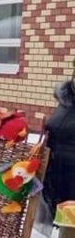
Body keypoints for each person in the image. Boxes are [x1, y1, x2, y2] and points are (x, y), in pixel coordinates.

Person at [43, 77, 75, 224]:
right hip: (57, 167)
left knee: (70, 223)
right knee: (63, 220)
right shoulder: (65, 99)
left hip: (70, 171)